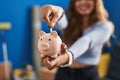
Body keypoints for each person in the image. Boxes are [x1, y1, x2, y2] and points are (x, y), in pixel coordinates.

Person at [40, 0, 114, 80]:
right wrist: (56, 10)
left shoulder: (105, 26)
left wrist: (68, 56)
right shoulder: (70, 22)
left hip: (87, 75)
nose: (83, 2)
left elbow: (87, 40)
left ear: (96, 2)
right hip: (63, 73)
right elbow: (62, 22)